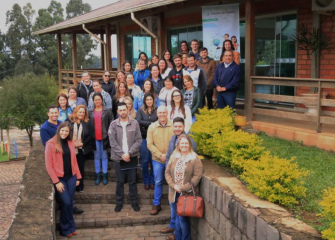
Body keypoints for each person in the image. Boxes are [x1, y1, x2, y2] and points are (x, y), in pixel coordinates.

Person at [40, 106, 84, 215]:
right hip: (58, 165)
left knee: (68, 200)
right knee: (66, 200)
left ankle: (70, 214)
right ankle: (67, 217)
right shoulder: (44, 128)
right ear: (48, 114)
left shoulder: (60, 123)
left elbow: (73, 157)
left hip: (68, 167)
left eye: (56, 112)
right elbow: (48, 147)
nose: (54, 114)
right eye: (52, 113)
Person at [160, 117, 197, 236]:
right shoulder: (172, 139)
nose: (177, 129)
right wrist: (170, 177)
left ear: (184, 127)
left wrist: (184, 186)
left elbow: (194, 165)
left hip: (184, 186)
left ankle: (178, 234)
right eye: (175, 126)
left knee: (181, 214)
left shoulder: (189, 140)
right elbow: (168, 158)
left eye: (179, 126)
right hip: (173, 183)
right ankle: (175, 231)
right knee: (173, 206)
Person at [45, 121, 82, 238]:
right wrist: (56, 182)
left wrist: (78, 176)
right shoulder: (50, 144)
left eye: (67, 131)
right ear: (58, 130)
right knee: (66, 202)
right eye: (62, 130)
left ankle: (71, 227)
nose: (64, 133)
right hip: (60, 179)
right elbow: (48, 166)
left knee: (70, 203)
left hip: (71, 177)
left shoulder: (70, 143)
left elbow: (74, 161)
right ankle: (64, 228)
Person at [165, 134, 203, 240]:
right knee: (177, 217)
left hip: (186, 193)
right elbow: (167, 172)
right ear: (178, 145)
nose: (184, 145)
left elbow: (197, 176)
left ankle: (185, 238)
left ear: (189, 144)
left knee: (182, 219)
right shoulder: (174, 156)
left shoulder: (194, 158)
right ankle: (178, 237)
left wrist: (182, 187)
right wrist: (173, 185)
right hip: (174, 192)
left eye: (186, 143)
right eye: (182, 143)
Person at [108, 102, 142, 212]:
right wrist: (122, 154)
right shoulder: (113, 124)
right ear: (117, 112)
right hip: (118, 158)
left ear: (128, 110)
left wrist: (129, 153)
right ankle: (119, 202)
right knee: (120, 181)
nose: (123, 112)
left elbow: (138, 140)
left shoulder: (135, 123)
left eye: (124, 110)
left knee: (132, 181)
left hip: (132, 157)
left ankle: (134, 202)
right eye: (120, 110)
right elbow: (112, 142)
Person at [147, 105, 174, 215]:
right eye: (160, 113)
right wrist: (159, 155)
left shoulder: (173, 125)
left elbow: (177, 142)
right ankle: (156, 204)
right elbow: (149, 144)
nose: (162, 114)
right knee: (158, 181)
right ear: (157, 114)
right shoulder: (152, 127)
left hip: (171, 159)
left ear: (167, 113)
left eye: (164, 112)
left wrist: (168, 155)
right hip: (157, 159)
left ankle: (172, 203)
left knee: (171, 182)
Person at [89, 93, 114, 185]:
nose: (97, 101)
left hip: (104, 137)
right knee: (96, 156)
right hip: (94, 137)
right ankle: (97, 175)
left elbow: (112, 122)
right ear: (93, 101)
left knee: (104, 156)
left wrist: (109, 132)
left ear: (102, 100)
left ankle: (104, 175)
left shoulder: (107, 111)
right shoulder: (90, 111)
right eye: (95, 100)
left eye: (99, 99)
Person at [135, 92, 158, 191]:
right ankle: (146, 181)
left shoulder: (157, 110)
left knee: (153, 160)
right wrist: (151, 123)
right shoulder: (140, 110)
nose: (149, 101)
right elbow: (138, 121)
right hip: (144, 138)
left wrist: (146, 125)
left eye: (150, 99)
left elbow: (158, 121)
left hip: (155, 139)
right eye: (147, 99)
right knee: (144, 161)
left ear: (153, 100)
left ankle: (153, 181)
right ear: (145, 100)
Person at [66, 105, 91, 192]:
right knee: (70, 167)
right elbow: (65, 133)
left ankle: (80, 185)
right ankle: (71, 185)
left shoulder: (87, 122)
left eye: (83, 112)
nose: (81, 114)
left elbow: (90, 136)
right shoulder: (69, 121)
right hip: (70, 149)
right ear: (76, 112)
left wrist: (82, 144)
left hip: (81, 150)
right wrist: (72, 144)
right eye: (80, 112)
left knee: (80, 168)